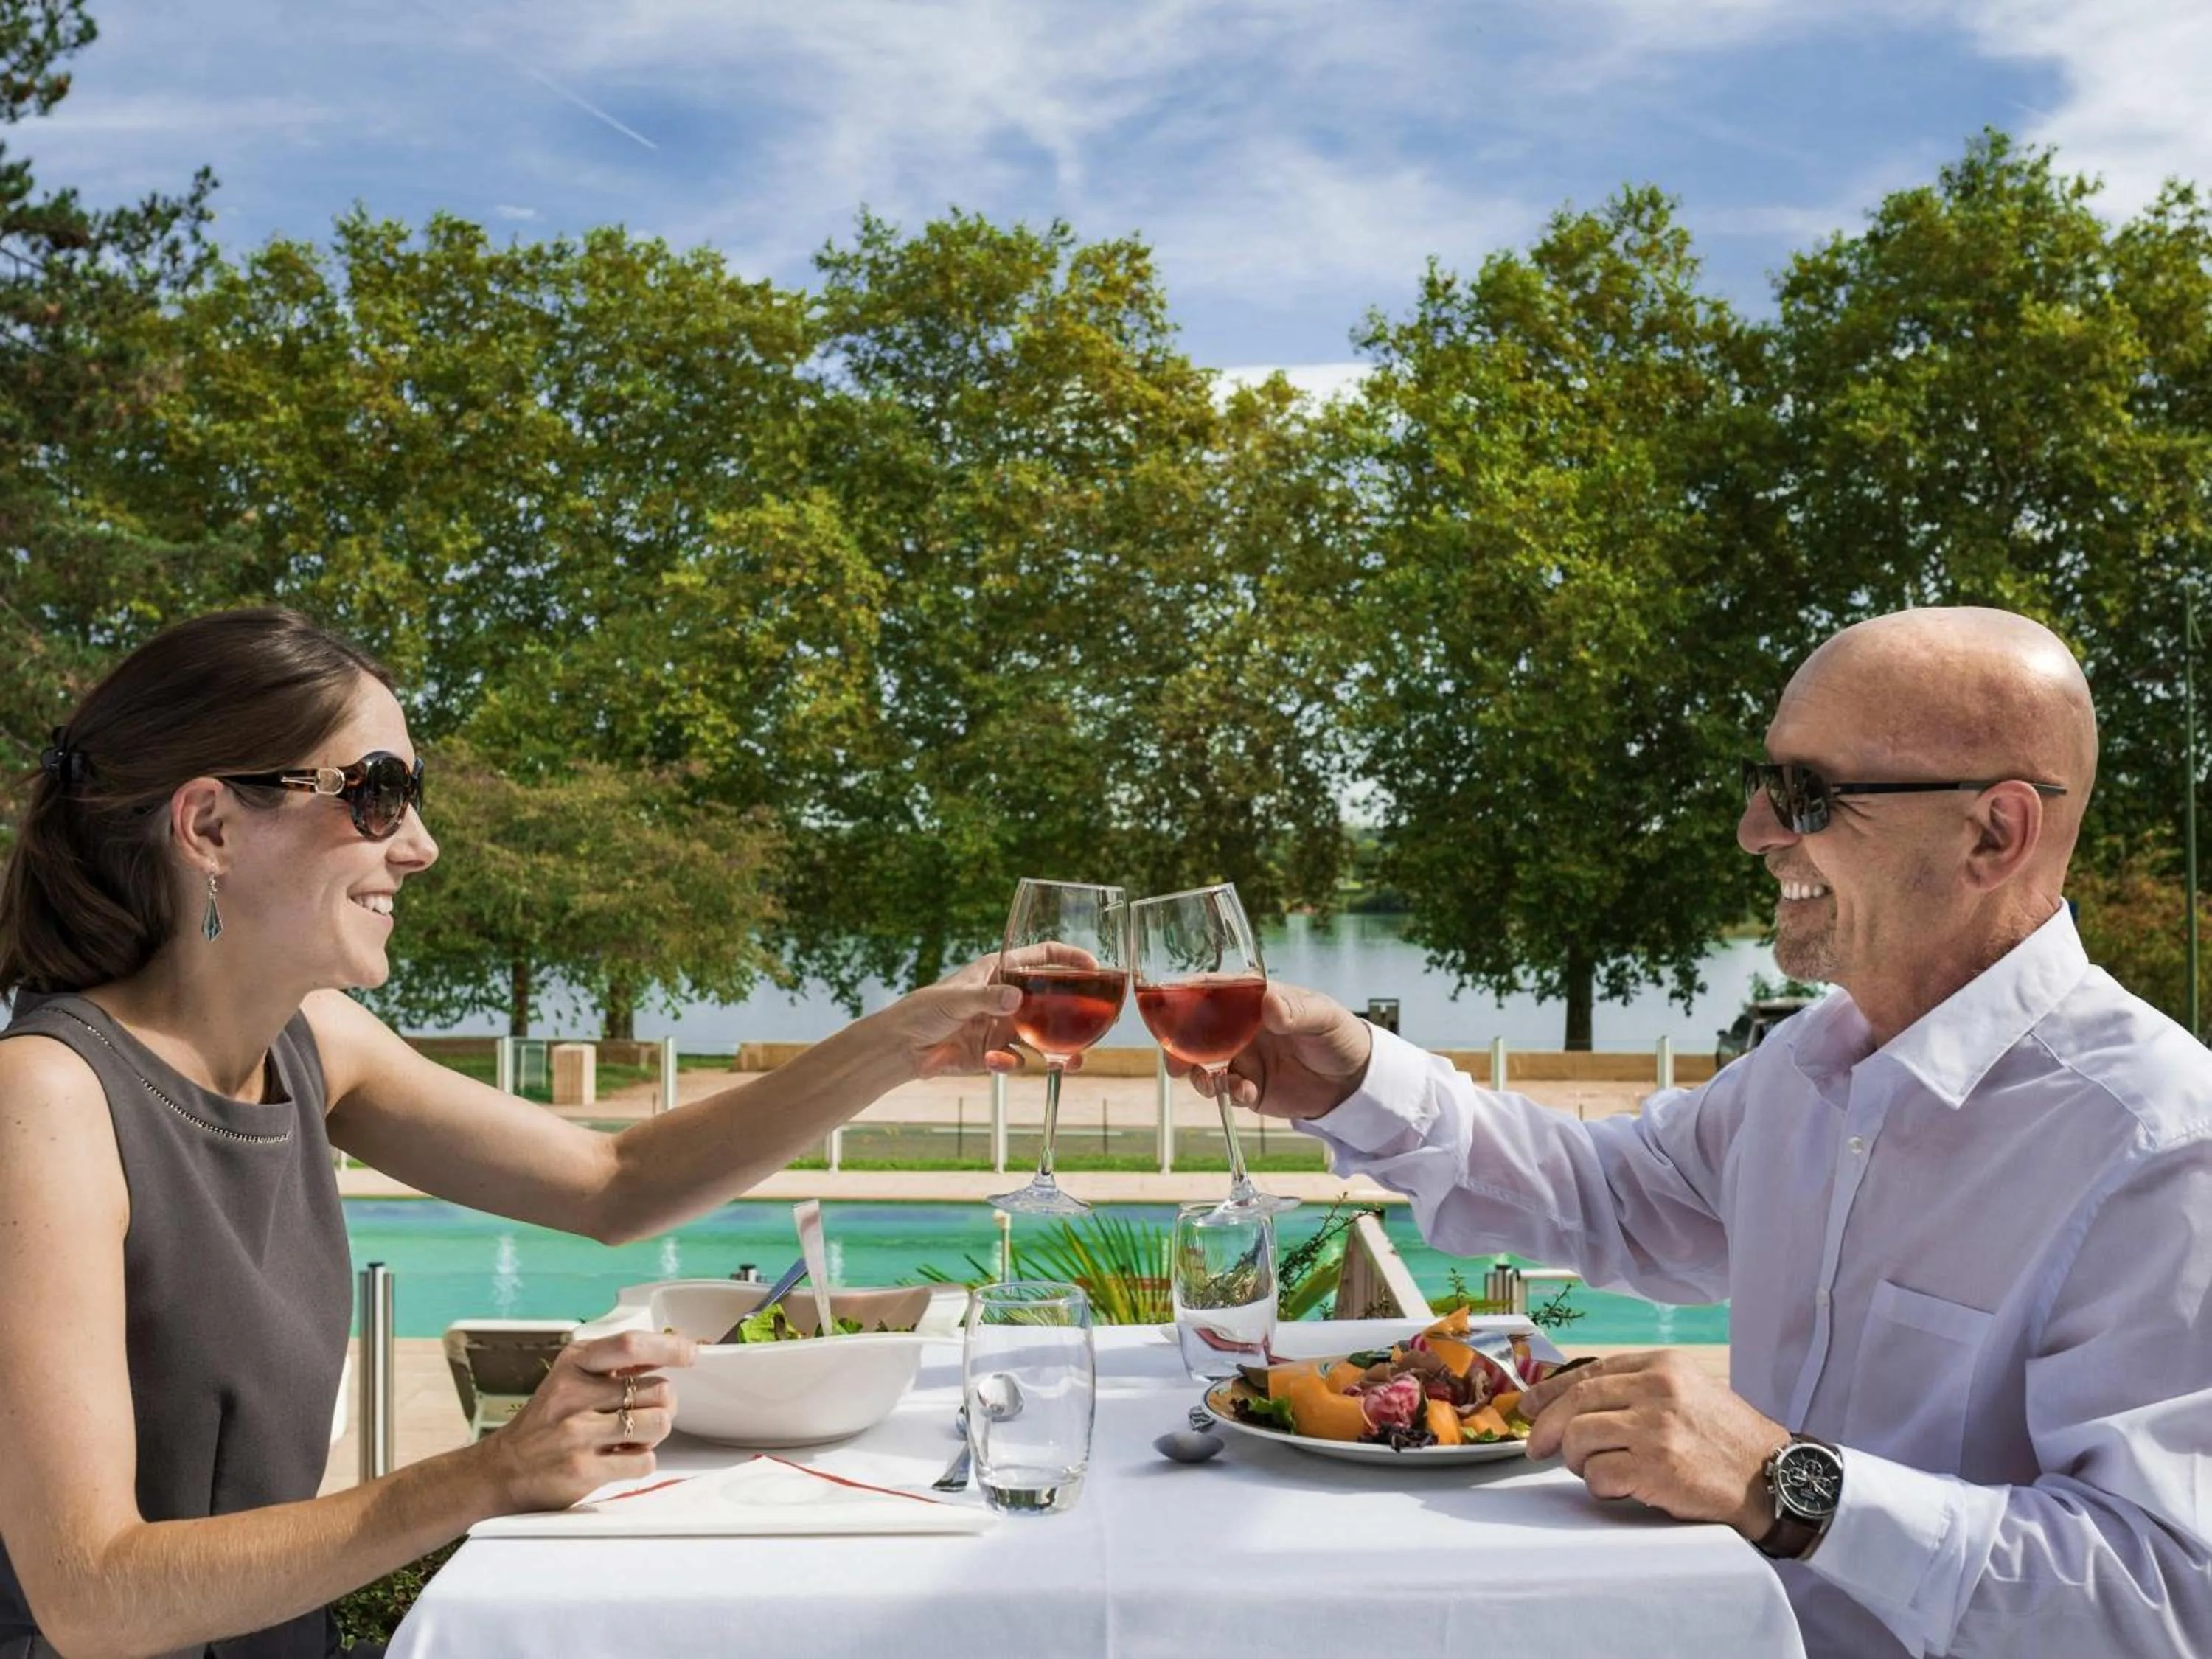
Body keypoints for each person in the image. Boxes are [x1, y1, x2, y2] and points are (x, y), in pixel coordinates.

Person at [0, 608, 1023, 1659]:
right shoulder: (46, 1100)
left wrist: (901, 1042)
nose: (421, 844)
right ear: (210, 825)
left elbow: (612, 1179)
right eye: (378, 793)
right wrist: (489, 1471)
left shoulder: (315, 1043)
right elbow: (93, 1594)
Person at [1197, 608, 2212, 1658]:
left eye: (1810, 794)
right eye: (1763, 779)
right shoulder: (1810, 1065)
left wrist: (1789, 1487)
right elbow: (1613, 1194)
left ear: (1996, 833)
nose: (1757, 829)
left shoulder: (2162, 1146)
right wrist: (1353, 1076)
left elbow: (2168, 1600)